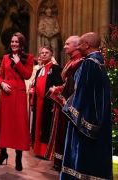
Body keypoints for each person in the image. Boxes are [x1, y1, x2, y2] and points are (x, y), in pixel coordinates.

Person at [61, 32, 112, 179]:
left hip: (86, 119)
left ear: (87, 45)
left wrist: (68, 106)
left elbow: (83, 94)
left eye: (80, 44)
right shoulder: (99, 62)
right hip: (100, 118)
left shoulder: (89, 64)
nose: (78, 46)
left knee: (82, 158)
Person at [0, 32, 33, 171]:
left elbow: (27, 75)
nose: (14, 44)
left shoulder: (28, 57)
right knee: (4, 124)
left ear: (21, 43)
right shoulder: (5, 57)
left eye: (16, 42)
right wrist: (2, 84)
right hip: (6, 95)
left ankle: (18, 158)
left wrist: (17, 62)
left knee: (18, 126)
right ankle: (2, 154)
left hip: (19, 95)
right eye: (12, 42)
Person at [48, 36, 83, 171]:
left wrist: (58, 92)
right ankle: (59, 161)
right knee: (61, 132)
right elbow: (67, 83)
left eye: (67, 44)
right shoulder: (72, 61)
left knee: (65, 133)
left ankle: (65, 162)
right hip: (64, 101)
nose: (64, 46)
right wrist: (58, 90)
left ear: (77, 46)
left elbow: (74, 86)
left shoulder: (79, 62)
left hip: (70, 104)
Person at [31, 46, 62, 160]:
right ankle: (38, 150)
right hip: (39, 103)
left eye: (46, 53)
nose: (43, 55)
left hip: (49, 103)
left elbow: (60, 86)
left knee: (46, 127)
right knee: (38, 127)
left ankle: (46, 152)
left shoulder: (56, 68)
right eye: (42, 53)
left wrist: (55, 102)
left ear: (51, 54)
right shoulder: (39, 70)